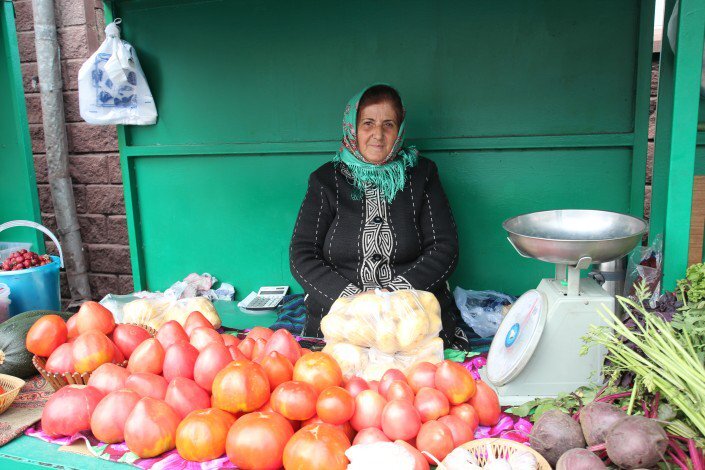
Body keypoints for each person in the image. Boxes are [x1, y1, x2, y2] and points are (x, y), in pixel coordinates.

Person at [290, 84, 470, 349]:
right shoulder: (326, 180)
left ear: (400, 129)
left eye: (388, 124)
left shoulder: (422, 175)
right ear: (353, 127)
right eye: (368, 123)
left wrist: (395, 297)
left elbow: (444, 249)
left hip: (411, 317)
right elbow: (302, 254)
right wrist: (352, 300)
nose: (378, 134)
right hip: (341, 317)